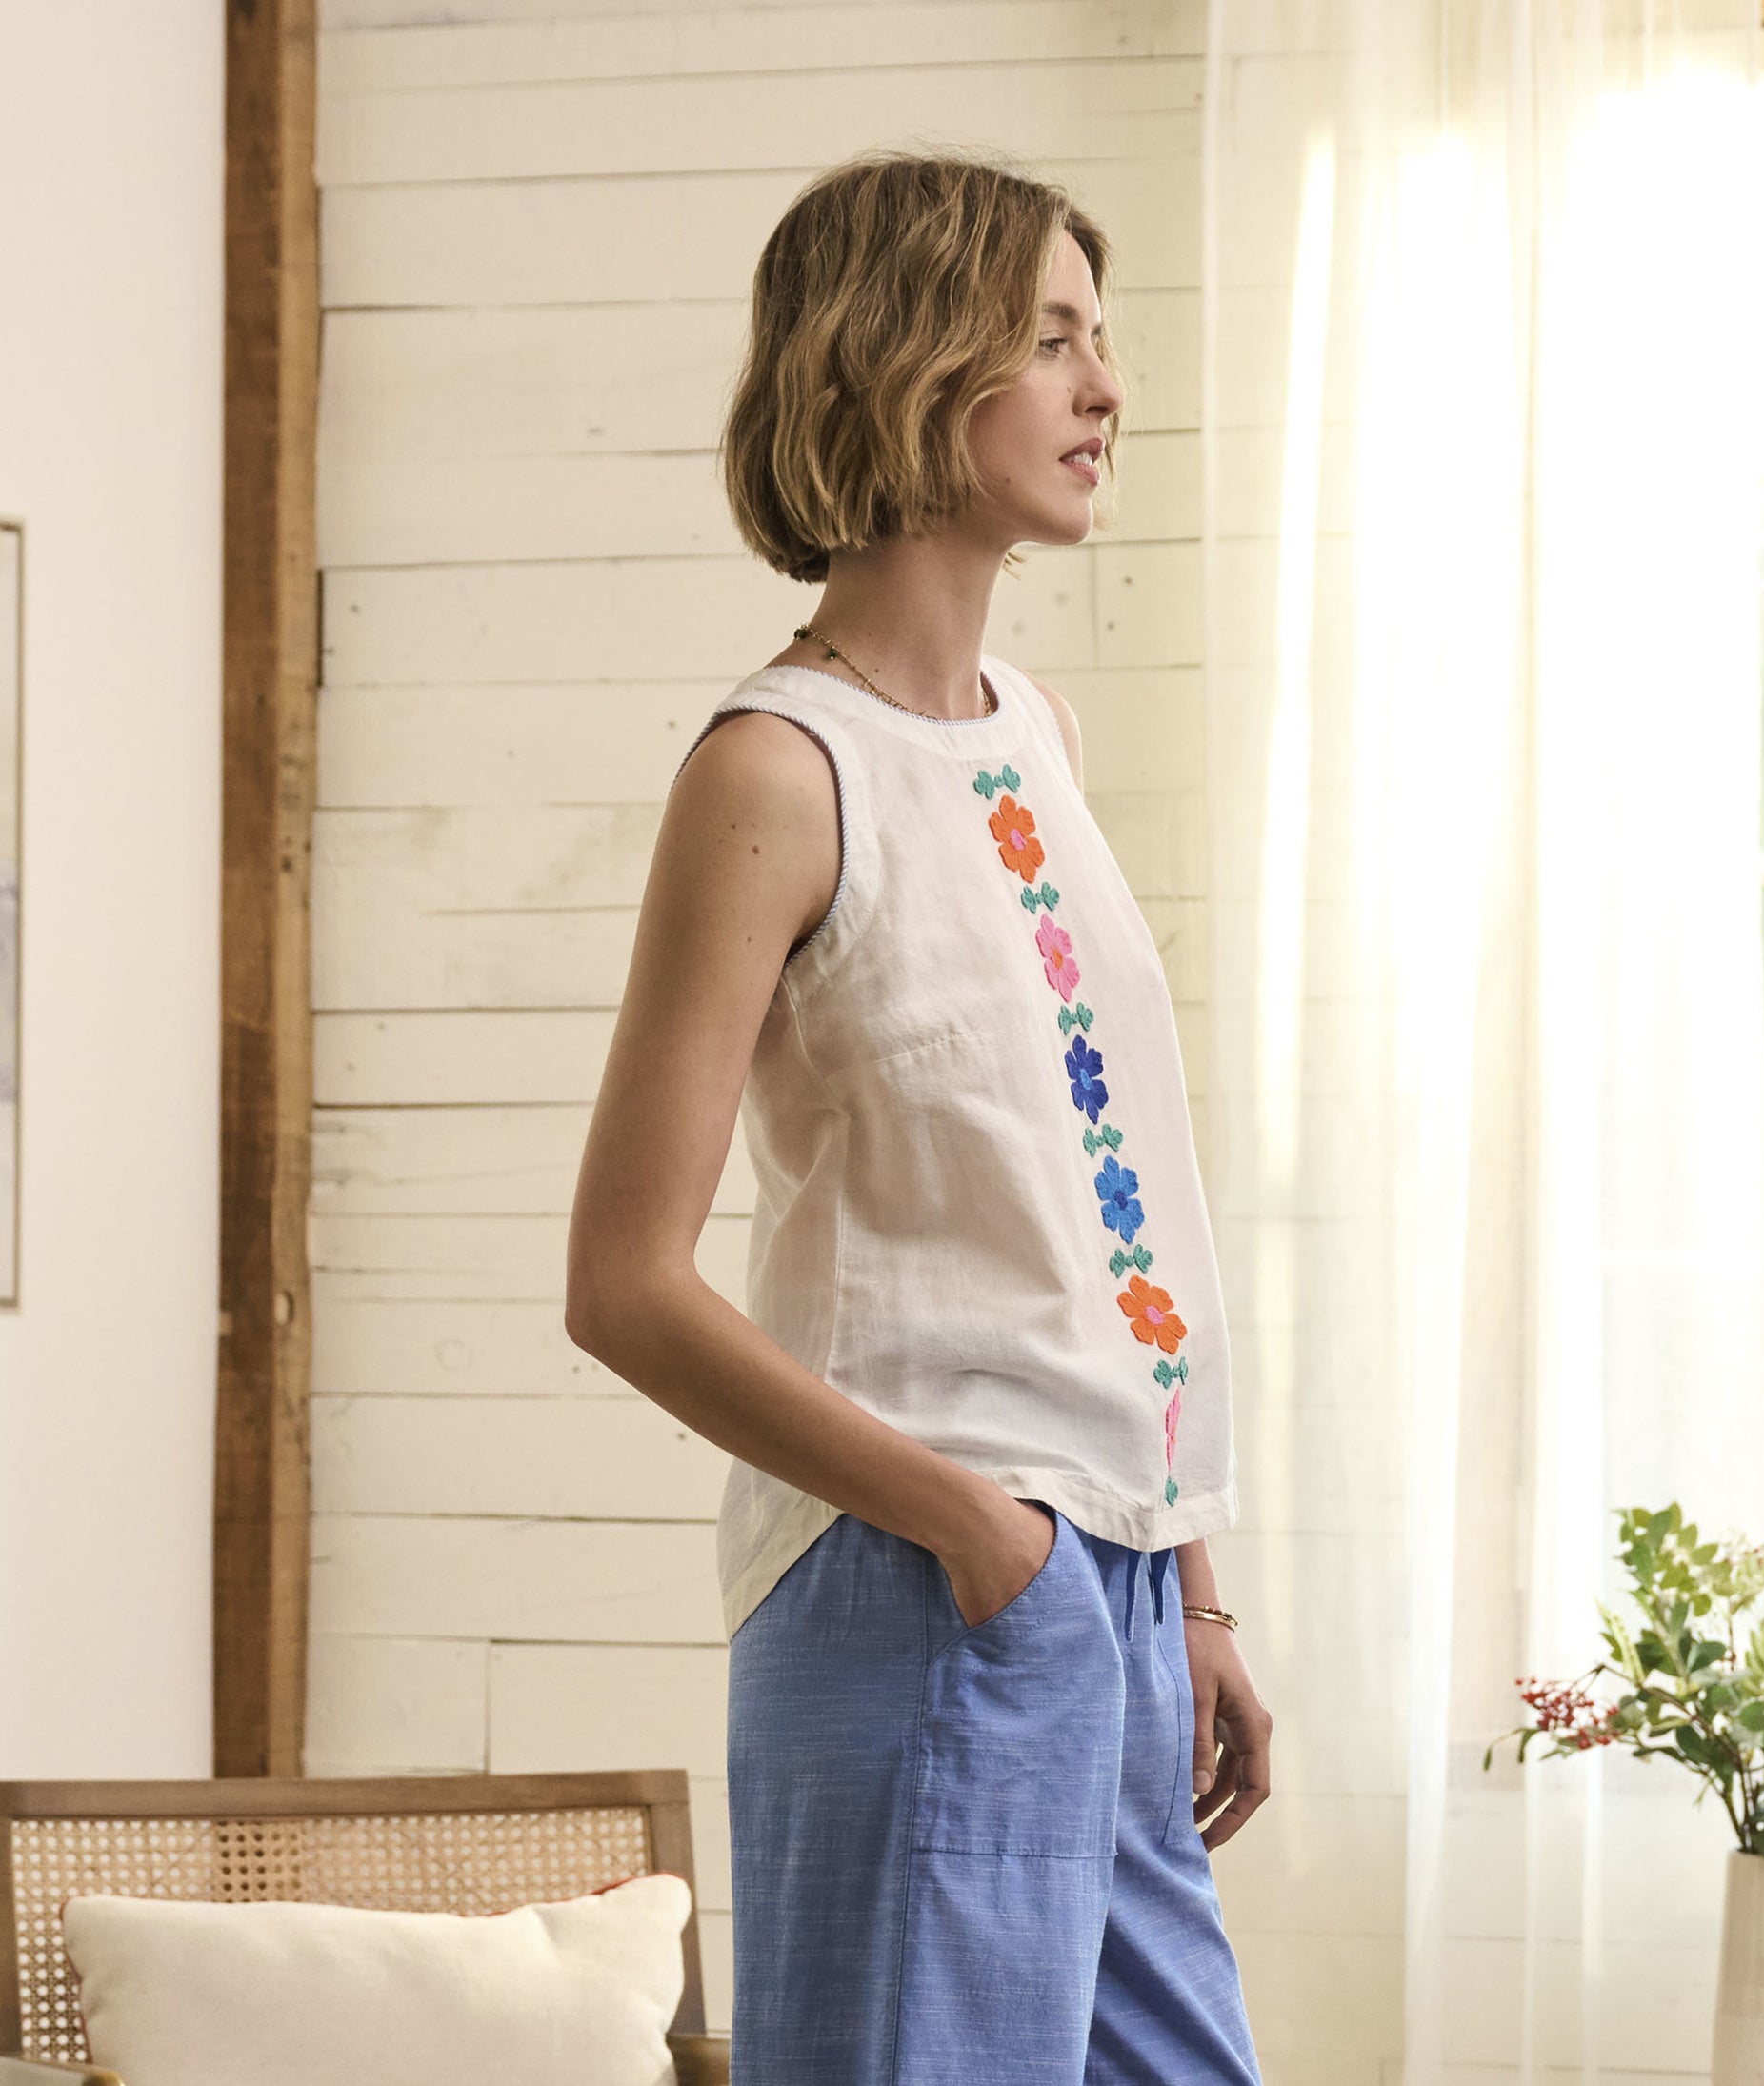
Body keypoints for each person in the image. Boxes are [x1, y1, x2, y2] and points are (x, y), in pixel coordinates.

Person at [565, 147, 1270, 2085]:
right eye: (1051, 341)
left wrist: (1179, 1576)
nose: (1104, 389)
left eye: (1097, 341)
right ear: (905, 363)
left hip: (1100, 1586)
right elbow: (622, 1283)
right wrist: (976, 1532)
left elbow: (1093, 1204)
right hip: (920, 1577)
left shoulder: (1023, 733)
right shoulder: (777, 769)